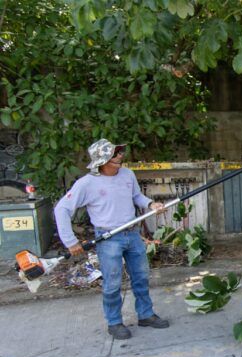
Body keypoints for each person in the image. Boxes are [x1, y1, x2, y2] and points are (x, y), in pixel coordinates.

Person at [54, 139, 169, 340]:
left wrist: (151, 204)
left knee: (141, 277)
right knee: (112, 283)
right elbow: (62, 209)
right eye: (114, 154)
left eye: (120, 152)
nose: (120, 156)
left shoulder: (127, 174)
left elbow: (136, 196)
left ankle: (145, 314)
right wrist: (70, 241)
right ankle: (114, 322)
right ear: (101, 160)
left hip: (132, 233)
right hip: (108, 238)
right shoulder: (86, 183)